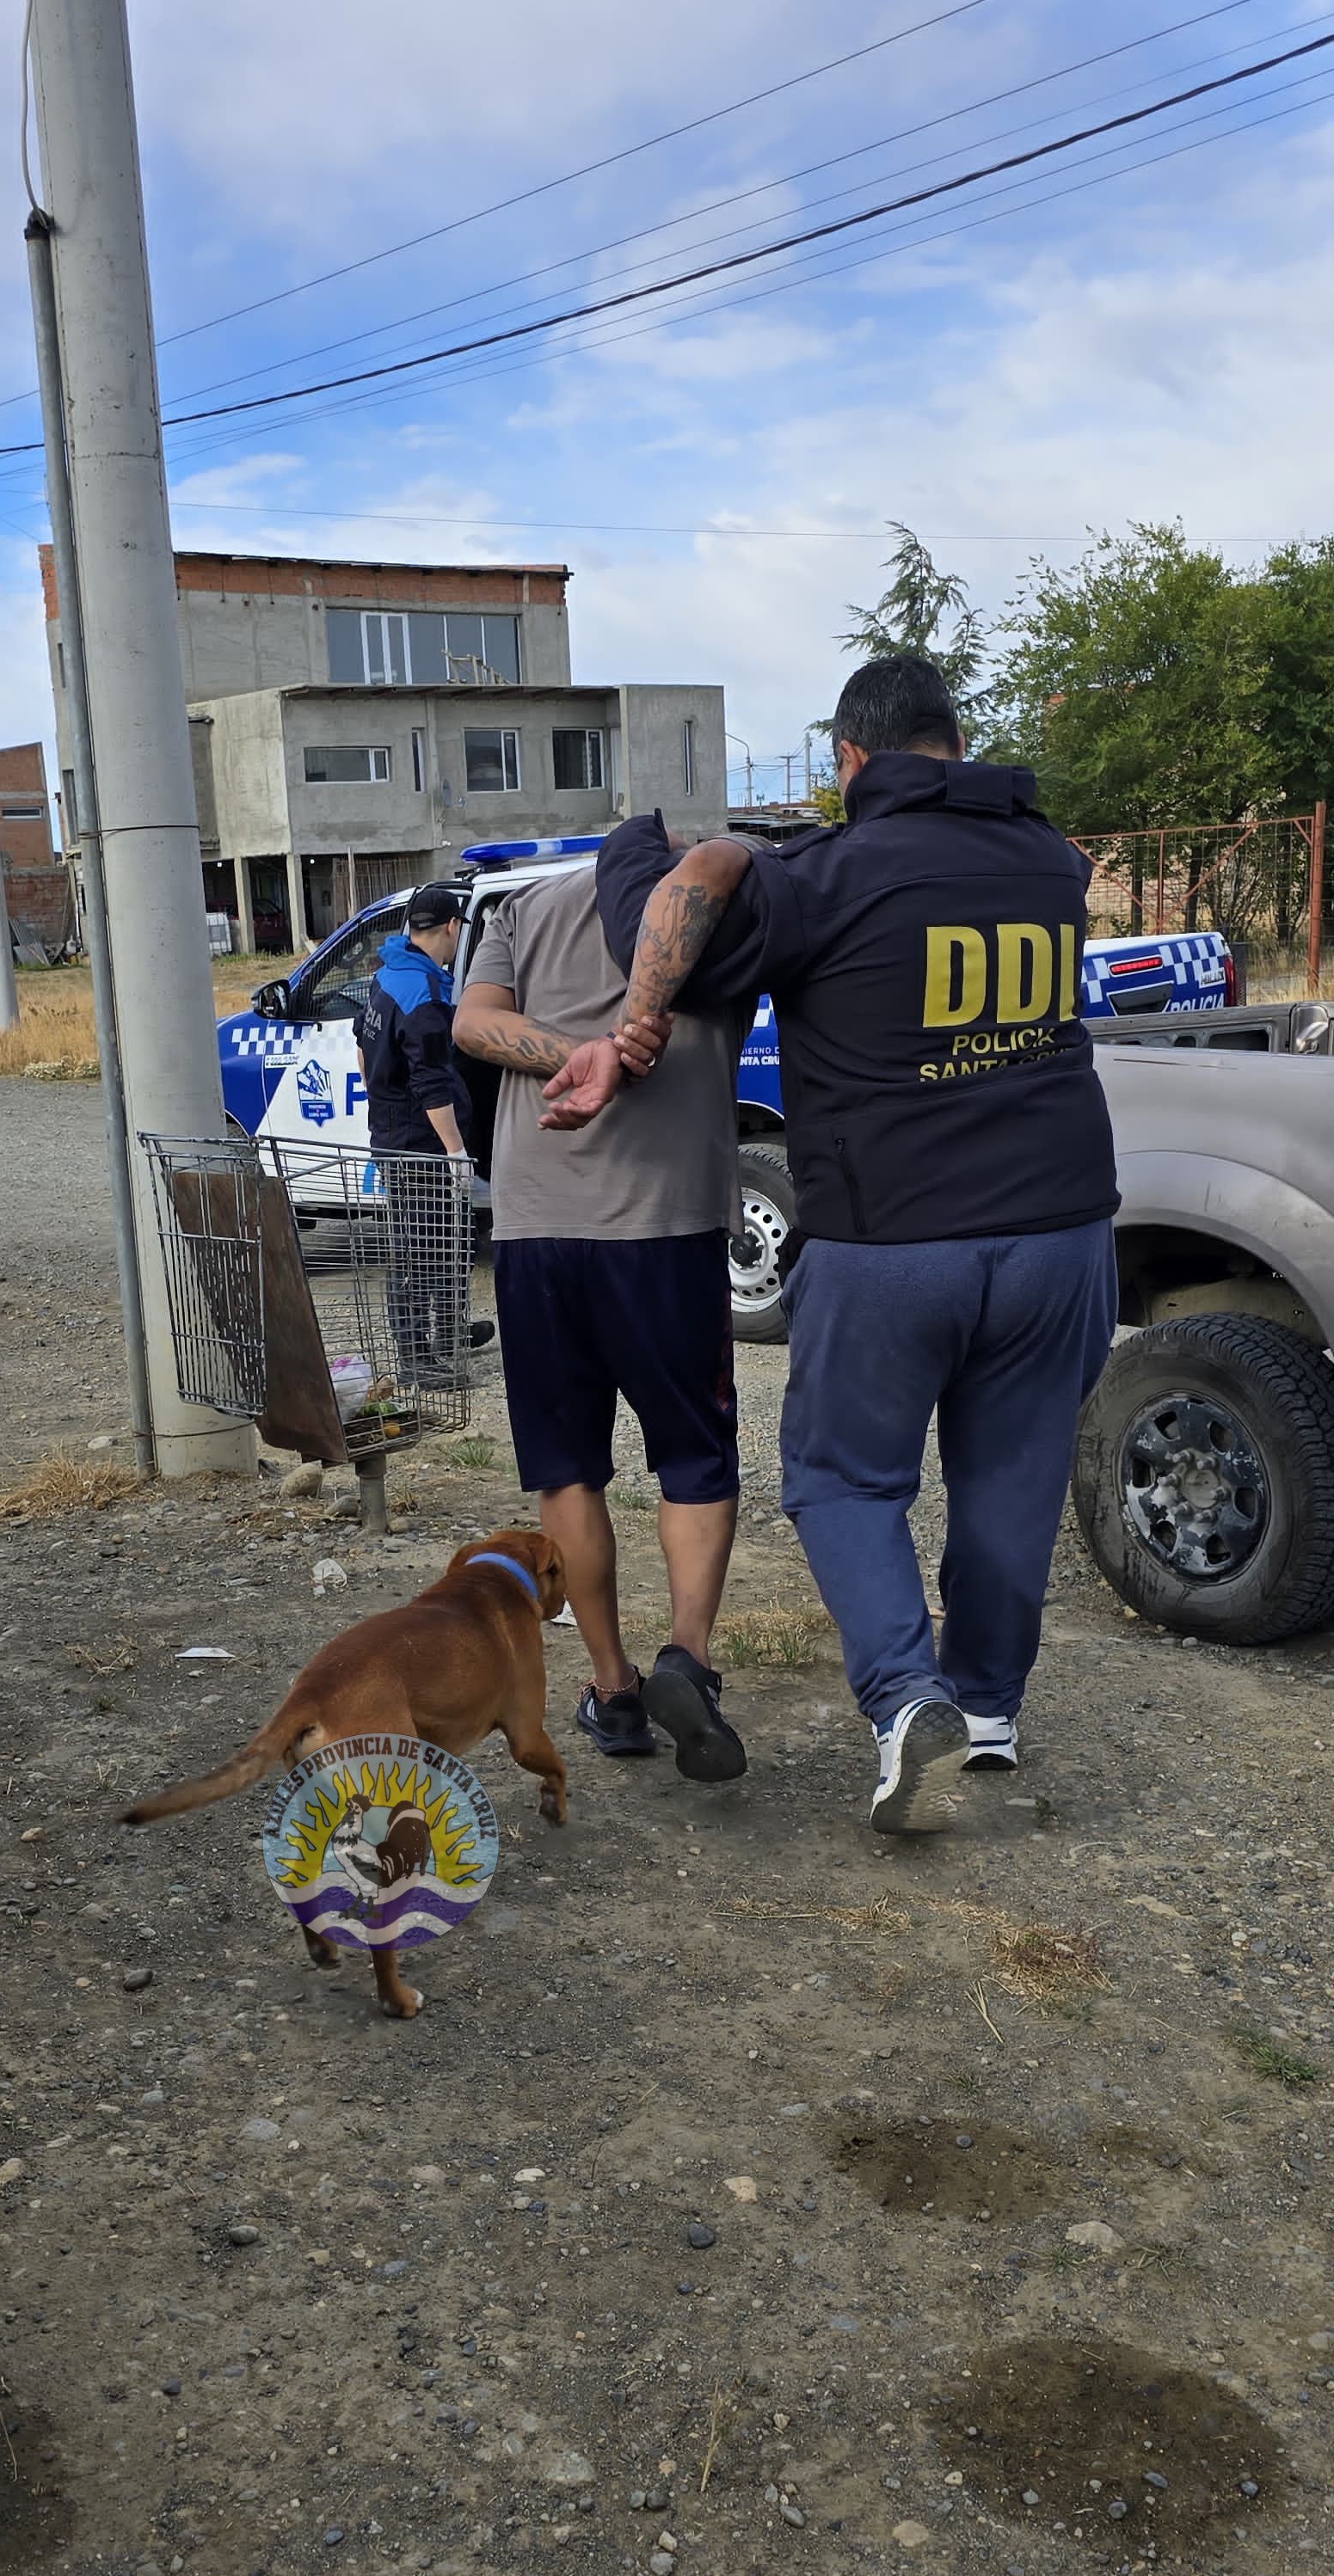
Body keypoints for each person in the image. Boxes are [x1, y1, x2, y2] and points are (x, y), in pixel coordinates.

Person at [563, 653, 1119, 1834]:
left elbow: (658, 948)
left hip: (895, 1237)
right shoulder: (1047, 861)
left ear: (850, 760)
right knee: (1011, 1481)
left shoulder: (826, 874)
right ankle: (988, 1708)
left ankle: (903, 1692)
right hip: (1063, 1230)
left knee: (841, 1476)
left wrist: (640, 848)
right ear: (953, 745)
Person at [451, 856, 747, 1780]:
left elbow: (472, 1023)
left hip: (537, 1227)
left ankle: (613, 1688)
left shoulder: (523, 904)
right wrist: (622, 1048)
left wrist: (568, 1051)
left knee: (566, 1468)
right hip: (665, 1223)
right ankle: (687, 1659)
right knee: (695, 1455)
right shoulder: (730, 895)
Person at [354, 881, 494, 1387]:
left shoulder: (389, 973)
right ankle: (416, 1358)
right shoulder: (424, 993)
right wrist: (455, 1151)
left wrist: (381, 1101)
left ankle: (449, 1331)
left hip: (396, 1131)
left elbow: (363, 1049)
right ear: (453, 928)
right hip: (420, 1144)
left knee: (451, 1240)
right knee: (422, 1247)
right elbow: (431, 1080)